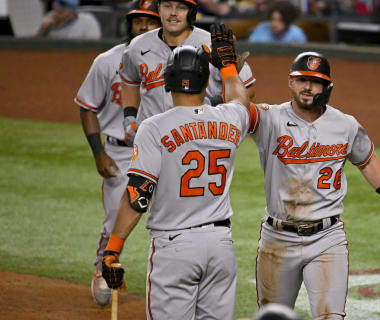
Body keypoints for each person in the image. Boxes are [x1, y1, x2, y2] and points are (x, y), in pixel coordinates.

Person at [248, 52, 380, 319]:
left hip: (327, 239)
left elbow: (366, 159)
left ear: (327, 86)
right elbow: (237, 108)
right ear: (290, 82)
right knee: (273, 315)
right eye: (302, 80)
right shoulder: (269, 118)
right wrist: (231, 71)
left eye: (315, 82)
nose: (308, 87)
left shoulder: (345, 124)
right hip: (278, 239)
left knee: (331, 317)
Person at [101, 24, 251, 320]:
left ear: (167, 81)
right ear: (207, 80)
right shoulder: (231, 118)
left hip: (174, 248)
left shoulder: (154, 127)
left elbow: (137, 195)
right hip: (220, 247)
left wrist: (112, 250)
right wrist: (230, 67)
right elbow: (240, 99)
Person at [73, 0, 161, 306]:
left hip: (164, 150)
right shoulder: (107, 61)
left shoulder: (173, 61)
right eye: (139, 21)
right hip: (120, 151)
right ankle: (103, 267)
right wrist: (99, 153)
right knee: (115, 218)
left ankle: (171, 276)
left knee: (171, 219)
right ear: (130, 24)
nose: (144, 27)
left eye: (151, 21)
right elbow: (87, 107)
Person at [120, 0, 256, 147]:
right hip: (152, 139)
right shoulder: (137, 46)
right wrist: (129, 118)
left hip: (199, 139)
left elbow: (248, 90)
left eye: (181, 8)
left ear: (191, 12)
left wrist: (211, 103)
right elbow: (130, 81)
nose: (173, 13)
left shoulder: (213, 44)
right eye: (167, 6)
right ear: (158, 8)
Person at [37, 0, 102, 39]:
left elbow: (93, 49)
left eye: (63, 5)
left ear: (73, 11)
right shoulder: (46, 19)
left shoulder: (88, 21)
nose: (58, 7)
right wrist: (40, 30)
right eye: (56, 3)